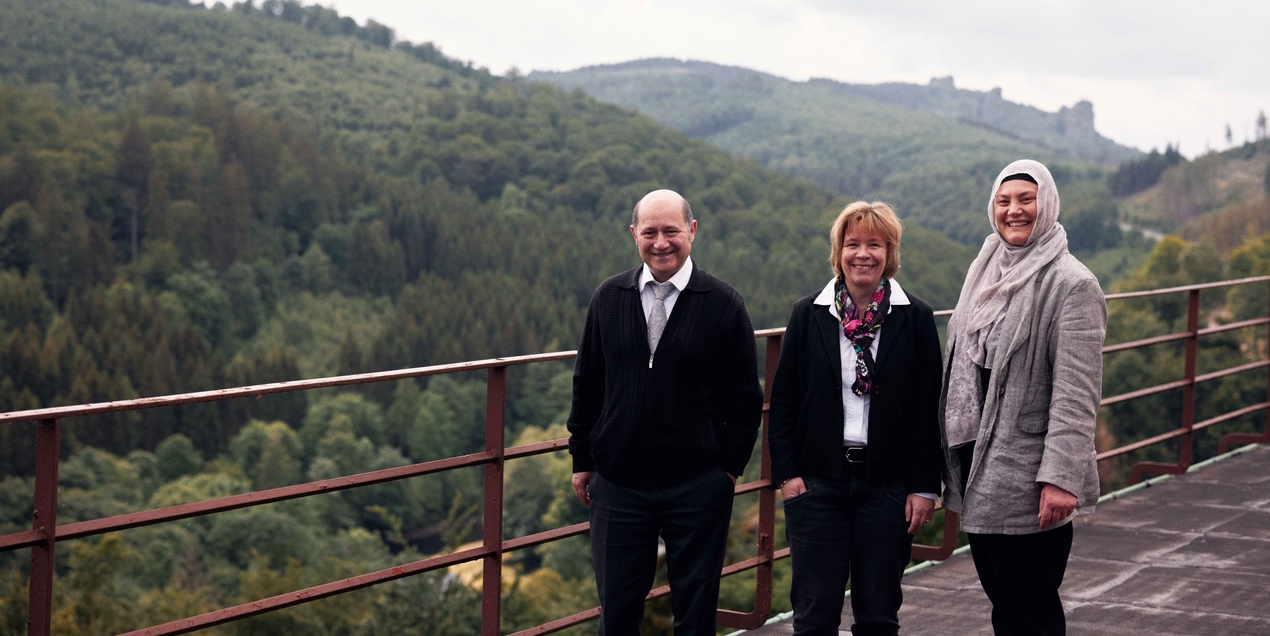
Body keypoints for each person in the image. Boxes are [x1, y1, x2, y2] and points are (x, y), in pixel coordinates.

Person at [567, 189, 763, 635]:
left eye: (671, 231)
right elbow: (588, 384)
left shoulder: (723, 304)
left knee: (695, 615)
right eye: (650, 232)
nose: (661, 242)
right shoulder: (609, 297)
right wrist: (583, 459)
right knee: (616, 612)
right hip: (618, 485)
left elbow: (745, 400)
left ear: (691, 231)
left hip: (697, 485)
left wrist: (727, 471)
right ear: (634, 234)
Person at [940, 160, 1107, 635]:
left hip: (1030, 475)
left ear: (1047, 204)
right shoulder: (985, 269)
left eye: (1026, 200)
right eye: (1004, 201)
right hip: (979, 466)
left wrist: (1060, 477)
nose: (1014, 211)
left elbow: (1077, 394)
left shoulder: (1073, 284)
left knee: (1030, 606)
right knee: (1005, 602)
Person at [768, 200, 944, 636]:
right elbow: (784, 399)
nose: (862, 254)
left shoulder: (915, 317)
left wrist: (925, 486)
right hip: (816, 484)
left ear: (890, 253)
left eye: (874, 244)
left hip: (888, 487)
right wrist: (788, 475)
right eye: (852, 244)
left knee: (878, 616)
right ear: (838, 252)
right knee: (813, 617)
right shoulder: (808, 313)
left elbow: (929, 407)